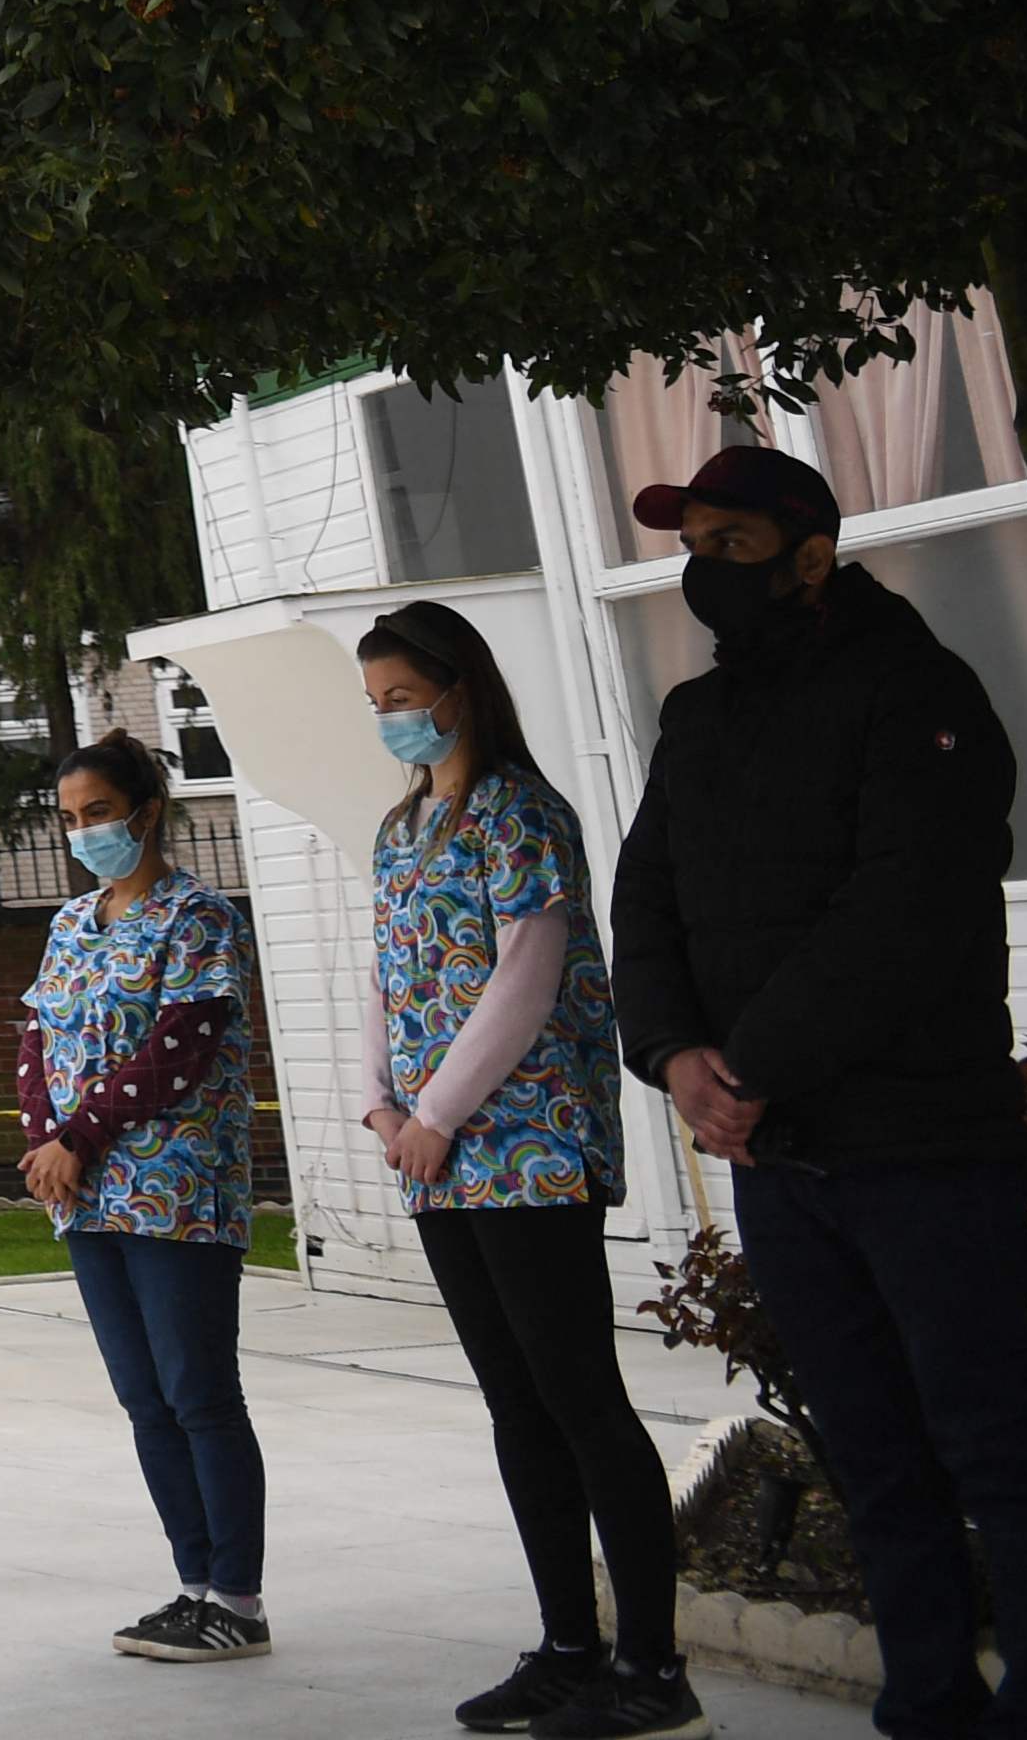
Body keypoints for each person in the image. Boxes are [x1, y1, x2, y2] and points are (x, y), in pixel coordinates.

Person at [618, 439, 1027, 1739]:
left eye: (732, 544)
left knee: (991, 1441)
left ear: (812, 554)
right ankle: (927, 1703)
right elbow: (646, 900)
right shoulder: (697, 718)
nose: (704, 569)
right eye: (692, 547)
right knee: (871, 1453)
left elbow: (908, 909)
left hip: (922, 1143)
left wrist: (749, 1066)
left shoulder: (916, 691)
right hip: (782, 1157)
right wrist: (675, 1053)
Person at [360, 598, 696, 1740]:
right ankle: (566, 1648)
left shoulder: (522, 814)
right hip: (435, 1157)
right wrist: (381, 1101)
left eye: (404, 697)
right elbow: (385, 972)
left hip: (528, 1149)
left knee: (579, 1396)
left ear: (459, 690)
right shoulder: (400, 828)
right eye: (377, 703)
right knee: (516, 1402)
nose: (390, 718)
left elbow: (526, 978)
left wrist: (438, 1112)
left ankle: (652, 1668)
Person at [18, 732, 270, 1664]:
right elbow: (36, 1038)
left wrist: (78, 1138)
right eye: (70, 818)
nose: (84, 831)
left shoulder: (198, 918)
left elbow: (181, 1045)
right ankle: (193, 1584)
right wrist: (45, 1141)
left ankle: (238, 1600)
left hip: (175, 1193)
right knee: (145, 1400)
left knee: (199, 1393)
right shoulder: (71, 923)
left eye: (99, 813)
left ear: (146, 812)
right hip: (85, 1198)